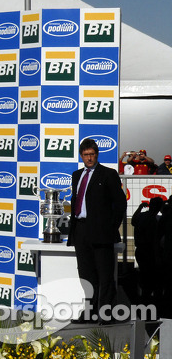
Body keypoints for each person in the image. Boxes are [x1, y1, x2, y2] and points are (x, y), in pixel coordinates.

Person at [68, 138, 126, 323]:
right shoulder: (77, 175)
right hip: (81, 230)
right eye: (86, 155)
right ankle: (89, 313)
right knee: (86, 275)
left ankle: (107, 314)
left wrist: (110, 227)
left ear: (97, 154)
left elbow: (120, 203)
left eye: (92, 154)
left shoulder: (108, 174)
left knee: (105, 275)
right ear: (81, 156)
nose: (89, 158)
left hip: (102, 232)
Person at [131, 196, 163, 304]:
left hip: (140, 250)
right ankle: (147, 299)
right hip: (149, 251)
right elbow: (154, 240)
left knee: (144, 274)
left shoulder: (142, 216)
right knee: (150, 276)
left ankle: (144, 298)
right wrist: (157, 256)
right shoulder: (154, 220)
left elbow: (133, 221)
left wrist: (140, 208)